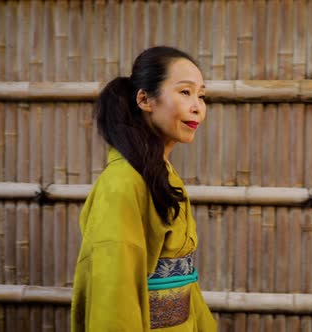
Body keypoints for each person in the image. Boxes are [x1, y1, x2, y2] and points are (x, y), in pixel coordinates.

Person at [71, 46, 217, 331]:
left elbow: (184, 281)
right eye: (185, 92)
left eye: (201, 95)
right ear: (145, 99)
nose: (197, 106)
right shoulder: (122, 185)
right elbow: (113, 298)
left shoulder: (163, 176)